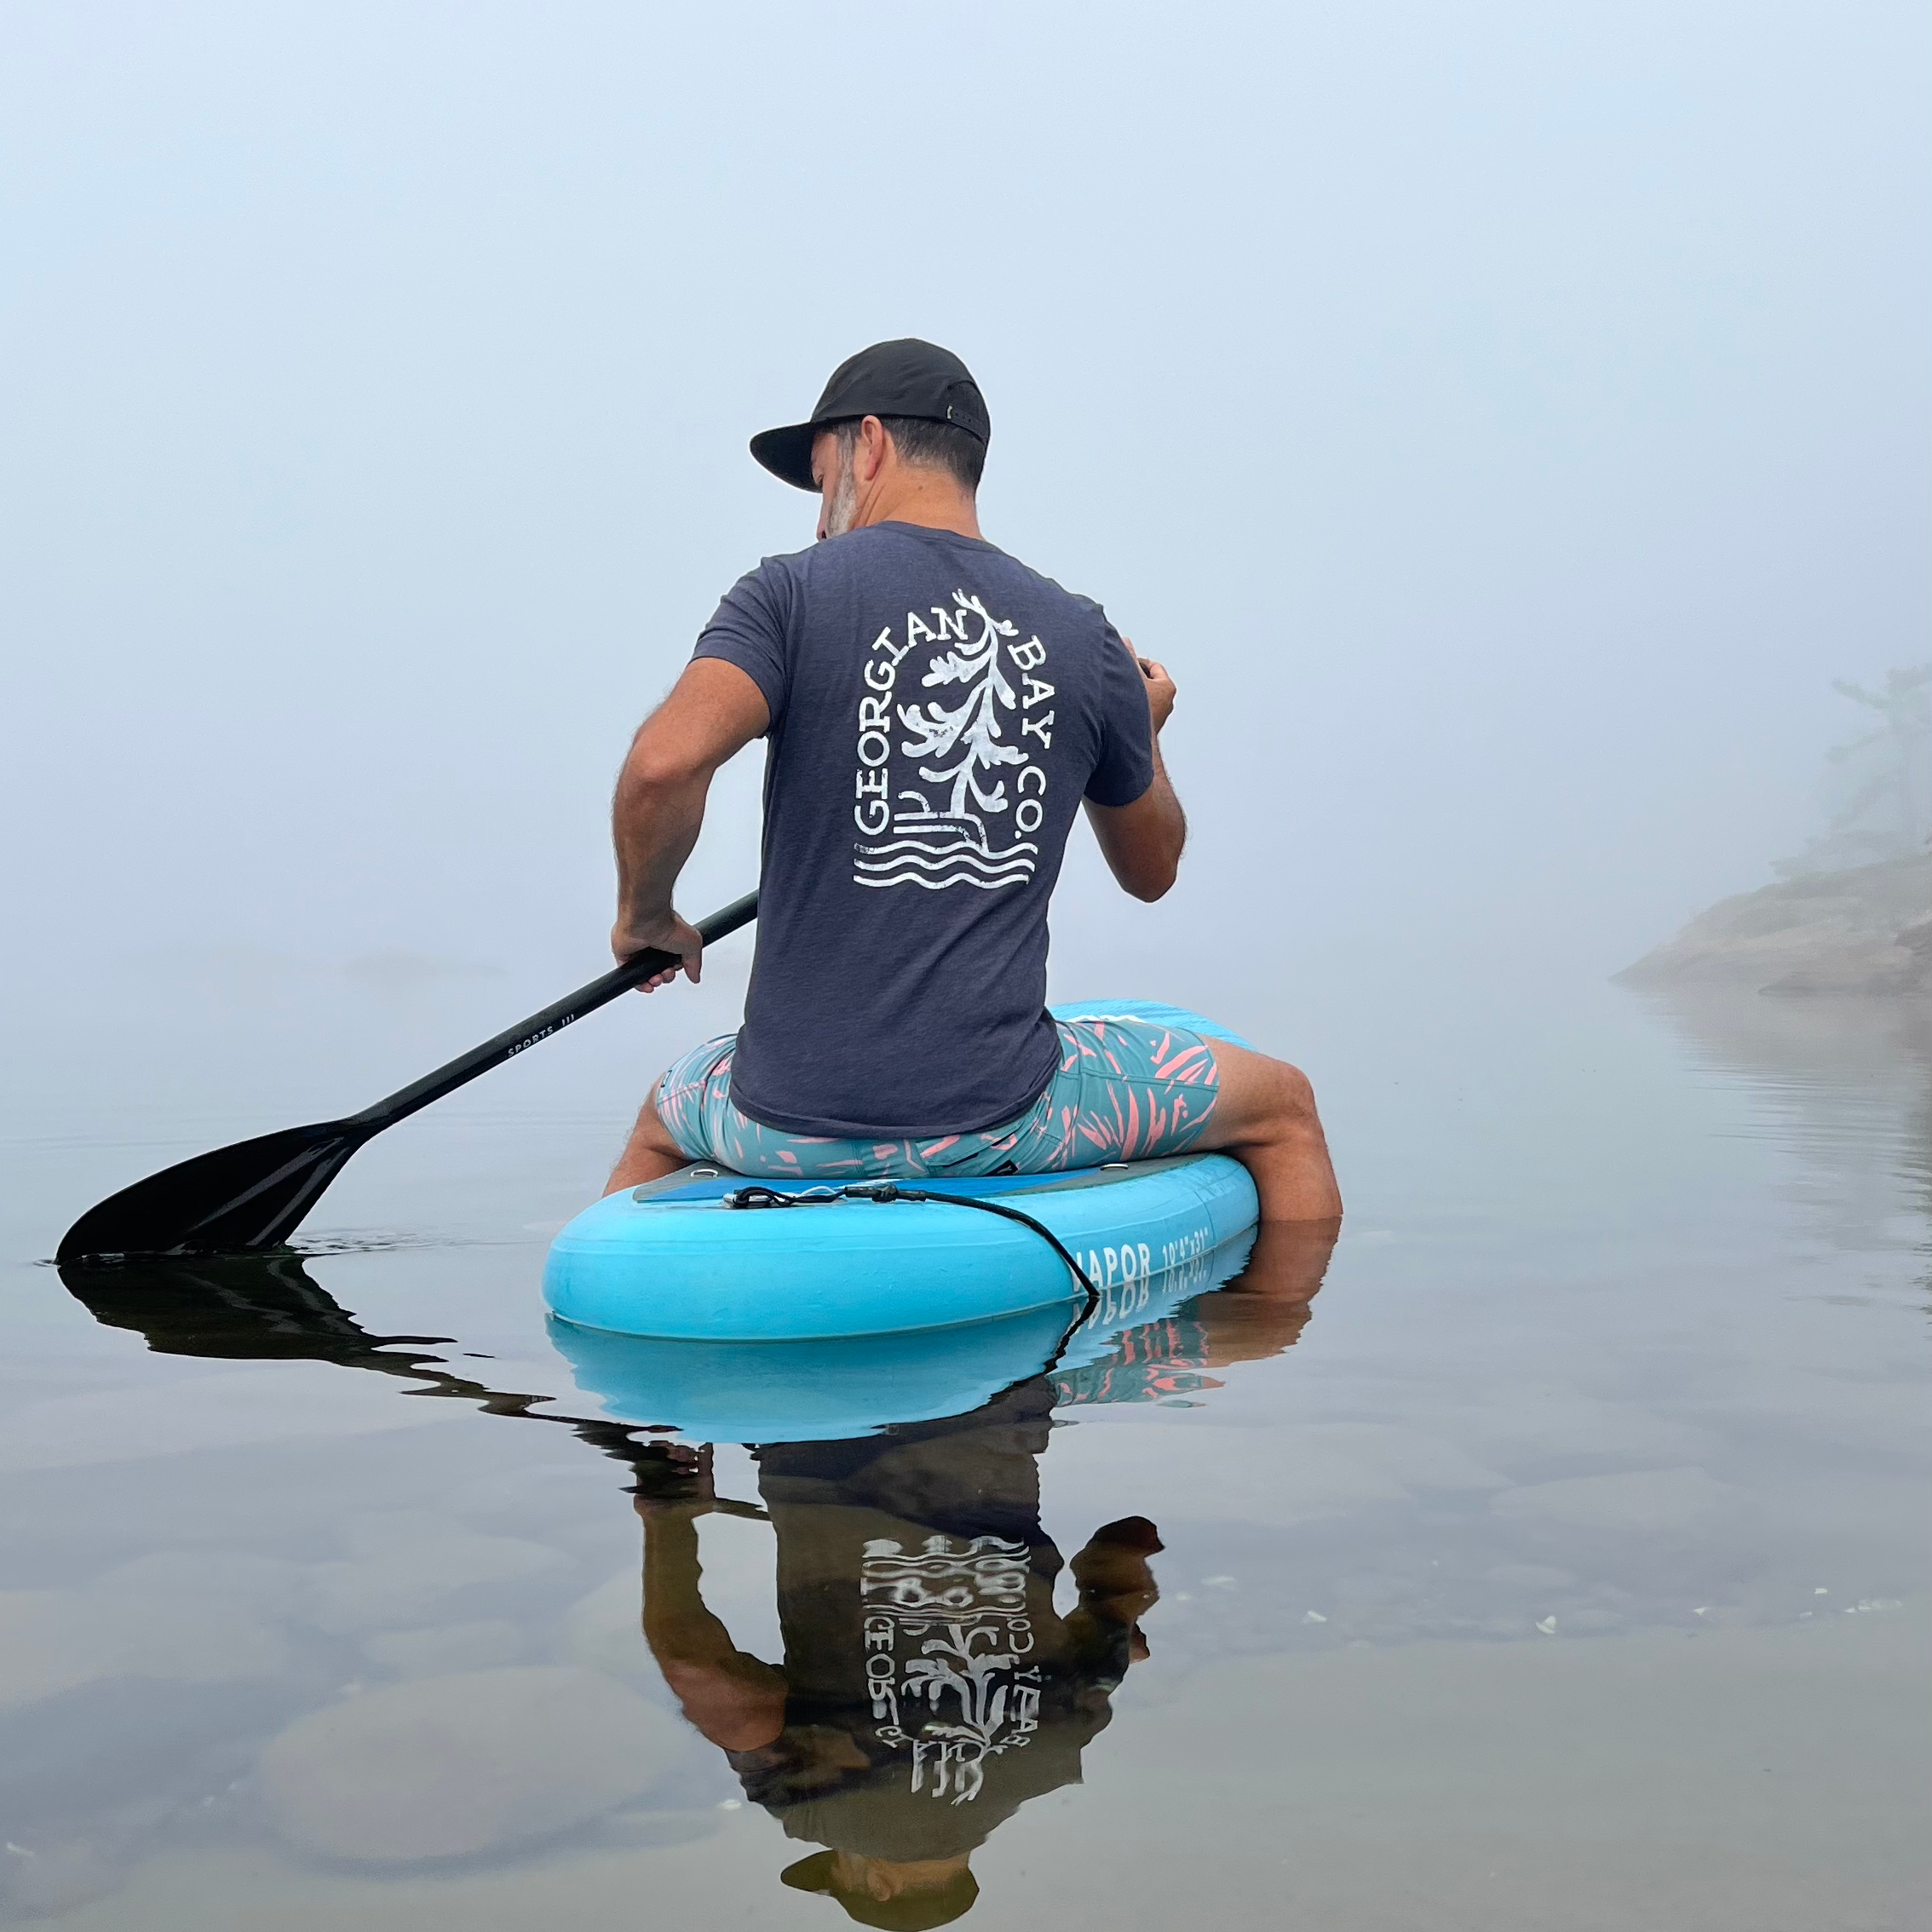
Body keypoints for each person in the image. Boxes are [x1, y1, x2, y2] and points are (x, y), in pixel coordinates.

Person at [603, 338, 1342, 1251]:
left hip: (777, 1122)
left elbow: (662, 766)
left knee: (662, 1115)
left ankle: (599, 1311)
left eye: (820, 477)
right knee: (1286, 1107)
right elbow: (1152, 873)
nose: (819, 515)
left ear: (870, 444)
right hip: (998, 1118)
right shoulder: (1084, 638)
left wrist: (647, 917)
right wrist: (1142, 733)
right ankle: (1279, 1312)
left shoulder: (784, 595)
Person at [635, 1383, 1164, 1929]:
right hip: (818, 1435)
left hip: (998, 1412)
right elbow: (702, 1674)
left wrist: (1114, 1637)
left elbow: (1126, 1540)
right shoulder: (822, 1806)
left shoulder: (1055, 1749)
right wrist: (669, 1518)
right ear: (878, 1886)